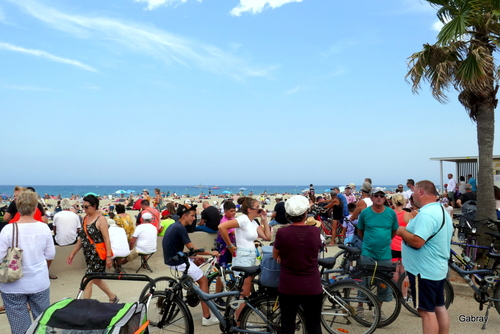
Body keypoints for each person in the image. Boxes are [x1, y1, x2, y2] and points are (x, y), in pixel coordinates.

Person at [397, 180, 453, 334]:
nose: (412, 196)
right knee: (438, 307)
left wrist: (401, 231)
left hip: (423, 271)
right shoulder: (440, 210)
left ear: (421, 191)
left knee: (426, 312)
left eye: (414, 192)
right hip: (436, 268)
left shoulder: (427, 214)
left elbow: (417, 241)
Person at [0, 190, 55, 334]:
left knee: (19, 326)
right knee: (42, 322)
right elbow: (50, 254)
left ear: (17, 207)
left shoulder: (7, 230)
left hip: (13, 284)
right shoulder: (43, 228)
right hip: (39, 282)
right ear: (35, 207)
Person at [163, 204, 220, 326]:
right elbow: (193, 248)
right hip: (177, 262)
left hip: (172, 258)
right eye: (193, 216)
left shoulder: (175, 226)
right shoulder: (180, 228)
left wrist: (193, 257)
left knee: (197, 261)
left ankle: (193, 292)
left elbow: (177, 249)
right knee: (204, 281)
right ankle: (207, 317)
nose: (194, 218)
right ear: (184, 216)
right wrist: (210, 252)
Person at [273, 195, 322, 334]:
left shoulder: (282, 232)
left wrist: (283, 256)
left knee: (287, 325)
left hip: (288, 285)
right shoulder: (314, 231)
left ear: (288, 214)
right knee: (314, 325)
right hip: (312, 284)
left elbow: (275, 254)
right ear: (306, 213)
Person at [218, 196, 271, 317]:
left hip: (250, 257)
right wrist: (230, 246)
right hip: (243, 257)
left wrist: (264, 220)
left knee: (245, 292)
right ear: (249, 210)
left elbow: (268, 237)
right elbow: (222, 227)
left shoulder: (252, 222)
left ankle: (239, 320)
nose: (260, 210)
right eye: (258, 208)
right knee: (244, 293)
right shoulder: (243, 219)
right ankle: (238, 323)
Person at [356, 187, 399, 319]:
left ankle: (377, 309)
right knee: (363, 281)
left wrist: (384, 241)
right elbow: (360, 231)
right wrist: (369, 243)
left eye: (382, 195)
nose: (379, 197)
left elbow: (394, 231)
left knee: (384, 283)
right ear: (372, 197)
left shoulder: (391, 213)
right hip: (368, 252)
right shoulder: (365, 213)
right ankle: (360, 307)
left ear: (385, 198)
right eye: (376, 195)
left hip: (385, 254)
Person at [67, 195, 119, 302]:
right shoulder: (85, 219)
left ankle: (85, 304)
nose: (84, 209)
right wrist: (73, 253)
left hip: (98, 255)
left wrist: (109, 257)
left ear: (94, 206)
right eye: (83, 206)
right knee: (96, 279)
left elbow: (106, 239)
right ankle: (113, 297)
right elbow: (82, 238)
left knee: (88, 279)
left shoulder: (101, 219)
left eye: (86, 207)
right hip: (88, 254)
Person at [389, 193, 412, 291]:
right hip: (404, 246)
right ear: (403, 202)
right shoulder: (407, 215)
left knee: (394, 270)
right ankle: (404, 294)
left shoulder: (390, 213)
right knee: (404, 271)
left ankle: (395, 291)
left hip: (392, 245)